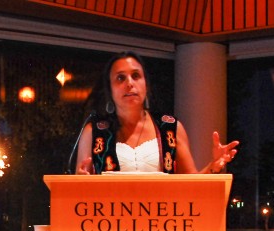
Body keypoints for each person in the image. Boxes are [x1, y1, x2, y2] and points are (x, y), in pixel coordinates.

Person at [75, 51, 239, 175]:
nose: (129, 83)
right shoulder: (94, 132)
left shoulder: (170, 128)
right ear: (109, 89)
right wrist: (78, 183)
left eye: (136, 76)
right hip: (109, 220)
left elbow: (191, 185)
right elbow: (79, 184)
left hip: (163, 220)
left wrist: (213, 166)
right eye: (120, 78)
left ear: (146, 84)